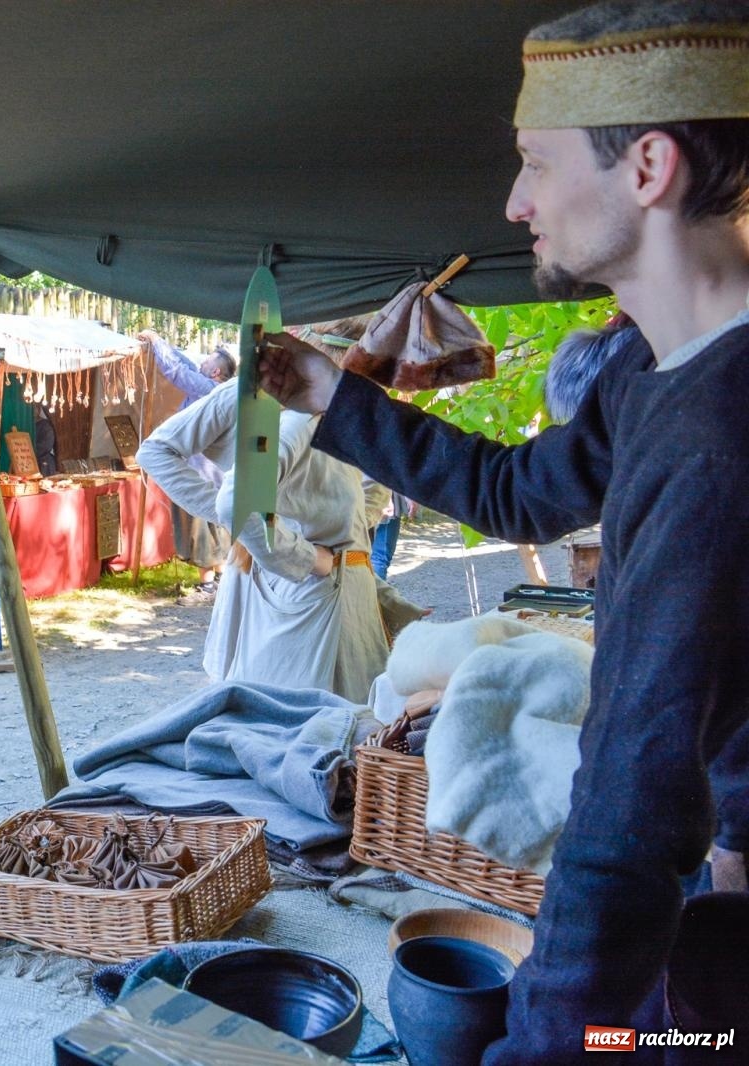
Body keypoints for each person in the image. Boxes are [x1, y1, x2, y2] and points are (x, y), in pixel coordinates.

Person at [258, 3, 749, 1058]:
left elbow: (627, 812)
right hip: (726, 846)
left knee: (668, 1043)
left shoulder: (719, 437)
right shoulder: (651, 369)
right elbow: (522, 494)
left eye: (534, 162)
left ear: (648, 166)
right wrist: (330, 399)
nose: (515, 201)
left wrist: (538, 1042)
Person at [138, 328, 388, 702]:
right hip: (302, 581)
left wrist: (350, 532)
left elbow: (375, 476)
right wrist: (291, 547)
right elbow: (158, 453)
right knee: (310, 720)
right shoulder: (285, 413)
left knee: (333, 719)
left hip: (322, 575)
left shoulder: (340, 408)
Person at [138, 329, 236, 596]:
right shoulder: (217, 387)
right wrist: (159, 341)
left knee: (200, 529)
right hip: (214, 474)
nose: (201, 363)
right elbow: (186, 365)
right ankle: (219, 580)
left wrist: (157, 342)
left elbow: (178, 373)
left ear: (215, 372)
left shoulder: (207, 389)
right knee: (216, 528)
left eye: (207, 362)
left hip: (199, 474)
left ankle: (206, 584)